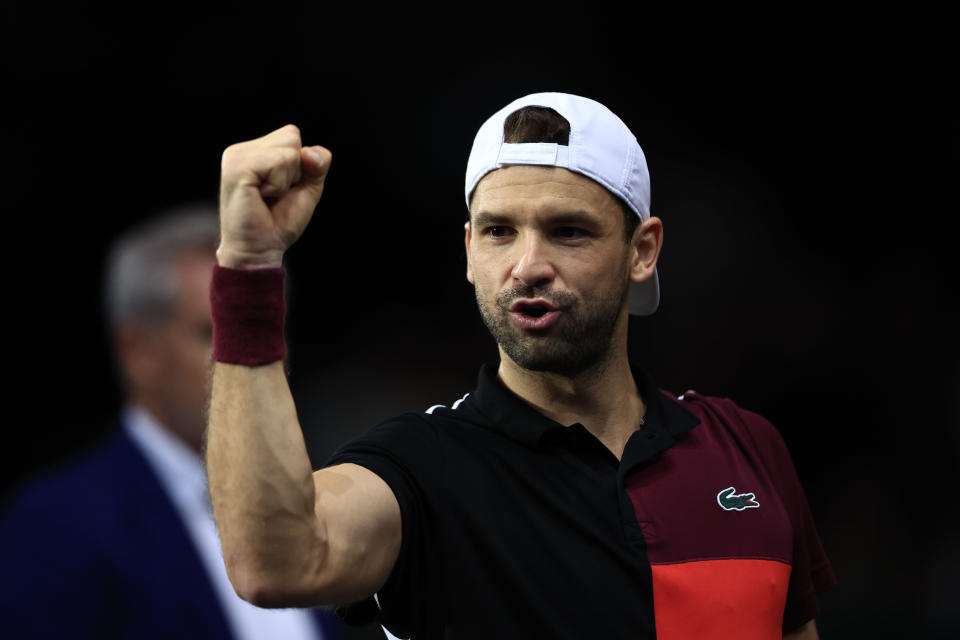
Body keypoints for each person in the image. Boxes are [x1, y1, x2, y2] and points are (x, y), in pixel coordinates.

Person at [206, 93, 837, 639]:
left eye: (568, 231)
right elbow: (275, 563)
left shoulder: (745, 446)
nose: (528, 264)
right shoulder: (423, 467)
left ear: (642, 251)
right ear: (469, 251)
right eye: (499, 231)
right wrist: (249, 266)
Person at [0, 208, 340, 639]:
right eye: (215, 333)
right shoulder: (57, 528)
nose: (258, 356)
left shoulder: (307, 509)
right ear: (137, 350)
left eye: (268, 327)